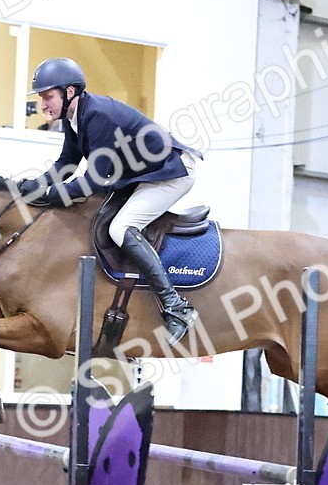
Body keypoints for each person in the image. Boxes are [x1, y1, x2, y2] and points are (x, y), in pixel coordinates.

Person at [18, 57, 200, 345]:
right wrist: (33, 187)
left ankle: (176, 306)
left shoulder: (97, 116)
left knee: (120, 228)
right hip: (142, 174)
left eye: (47, 96)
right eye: (41, 98)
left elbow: (93, 182)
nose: (43, 105)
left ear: (69, 93)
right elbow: (66, 164)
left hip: (171, 174)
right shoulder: (74, 118)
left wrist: (50, 195)